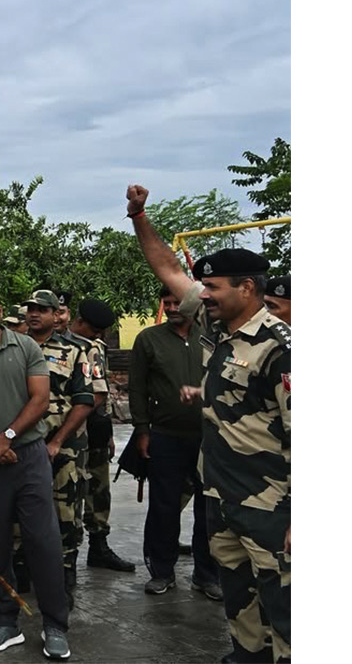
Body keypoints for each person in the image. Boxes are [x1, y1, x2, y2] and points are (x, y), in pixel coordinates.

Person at [127, 185, 290, 663]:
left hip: (272, 507)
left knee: (285, 612)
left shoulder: (281, 347)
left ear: (247, 288)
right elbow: (169, 269)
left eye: (214, 288)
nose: (203, 296)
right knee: (240, 604)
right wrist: (139, 217)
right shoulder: (219, 329)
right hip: (222, 496)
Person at [0, 286, 72, 659]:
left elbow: (40, 399)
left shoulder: (26, 347)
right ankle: (4, 621)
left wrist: (7, 437)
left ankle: (55, 625)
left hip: (28, 457)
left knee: (43, 541)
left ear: (0, 310)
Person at [128, 285, 218, 598]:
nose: (171, 307)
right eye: (166, 302)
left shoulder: (210, 337)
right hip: (164, 436)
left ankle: (207, 575)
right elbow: (136, 389)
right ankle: (162, 572)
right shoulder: (148, 340)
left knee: (209, 508)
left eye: (177, 301)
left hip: (209, 436)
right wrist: (142, 430)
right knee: (164, 507)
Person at [21, 290, 93, 602]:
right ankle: (22, 572)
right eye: (32, 309)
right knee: (21, 510)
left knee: (65, 509)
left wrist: (57, 441)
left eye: (43, 310)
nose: (35, 314)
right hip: (22, 444)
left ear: (56, 315)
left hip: (63, 446)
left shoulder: (75, 351)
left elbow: (85, 401)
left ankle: (64, 573)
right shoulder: (14, 346)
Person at [64, 299, 135, 574]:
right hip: (72, 428)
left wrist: (107, 435)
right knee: (71, 491)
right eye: (94, 330)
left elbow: (101, 396)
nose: (97, 336)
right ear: (80, 322)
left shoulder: (96, 347)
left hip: (96, 428)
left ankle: (99, 546)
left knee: (99, 489)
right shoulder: (63, 347)